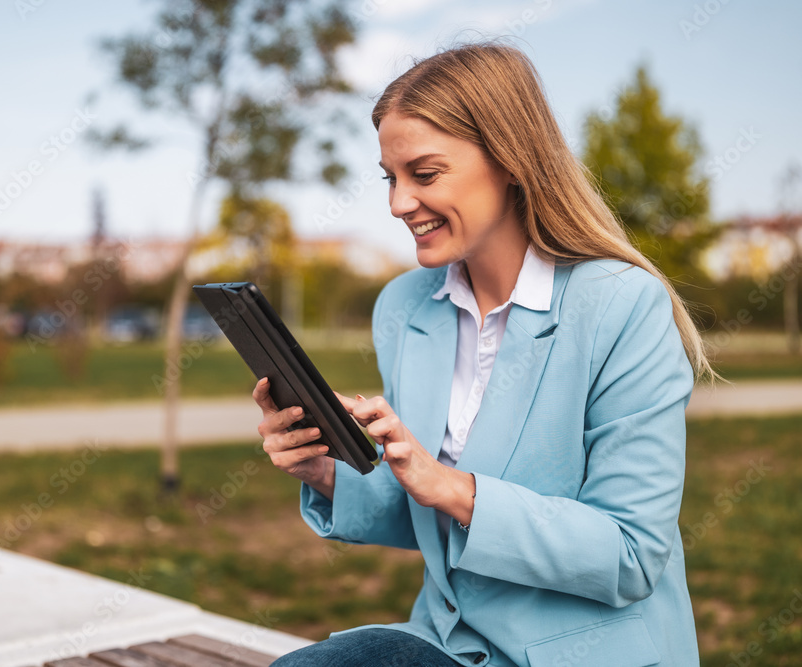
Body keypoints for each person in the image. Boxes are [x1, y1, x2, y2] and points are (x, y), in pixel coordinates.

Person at [253, 42, 712, 667]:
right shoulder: (406, 306)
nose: (397, 204)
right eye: (391, 178)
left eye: (425, 173)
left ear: (510, 160)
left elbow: (630, 553)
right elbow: (433, 519)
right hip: (448, 644)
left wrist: (453, 487)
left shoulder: (621, 306)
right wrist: (327, 470)